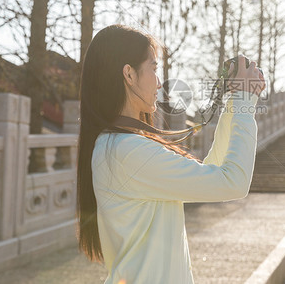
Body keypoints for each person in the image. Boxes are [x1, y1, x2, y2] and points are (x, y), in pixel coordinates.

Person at [76, 24, 265, 284]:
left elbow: (213, 171)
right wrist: (245, 102)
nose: (158, 81)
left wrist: (235, 101)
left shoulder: (116, 146)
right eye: (153, 68)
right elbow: (234, 182)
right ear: (129, 74)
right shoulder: (128, 151)